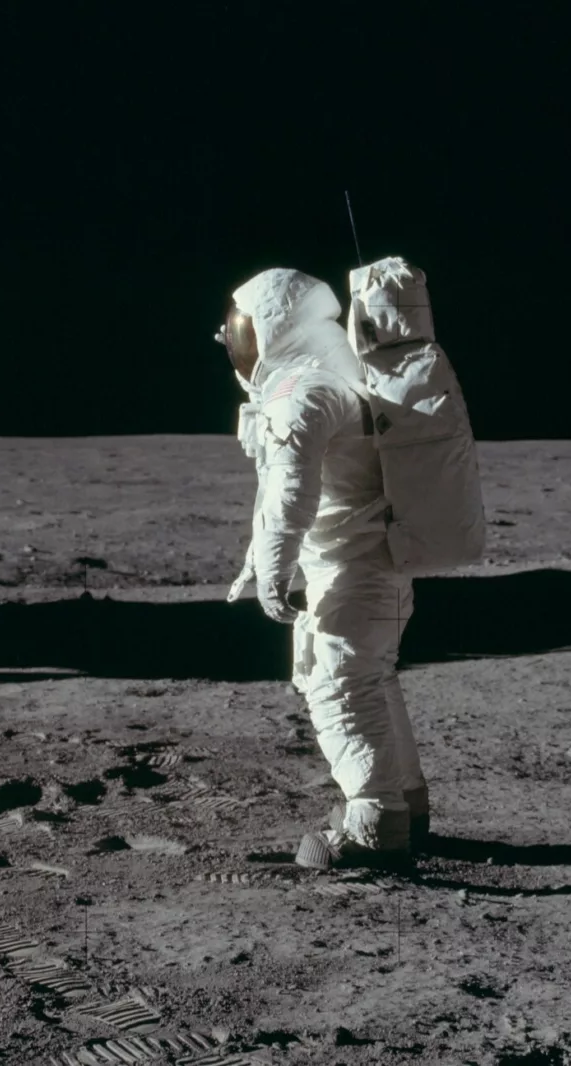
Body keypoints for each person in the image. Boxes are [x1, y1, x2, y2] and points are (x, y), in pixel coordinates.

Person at [218, 267, 428, 870]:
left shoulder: (302, 390)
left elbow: (290, 487)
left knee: (339, 689)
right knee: (372, 681)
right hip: (376, 567)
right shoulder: (342, 376)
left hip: (350, 570)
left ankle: (374, 827)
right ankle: (408, 806)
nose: (234, 342)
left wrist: (273, 569)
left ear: (273, 330)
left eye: (242, 330)